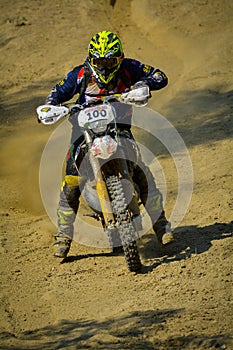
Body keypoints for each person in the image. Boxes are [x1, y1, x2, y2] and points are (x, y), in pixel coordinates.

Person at [43, 30, 174, 258]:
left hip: (119, 129)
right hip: (83, 136)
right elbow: (57, 92)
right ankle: (63, 235)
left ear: (119, 59)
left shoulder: (129, 67)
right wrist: (51, 105)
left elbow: (160, 76)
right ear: (91, 59)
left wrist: (143, 83)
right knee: (72, 181)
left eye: (110, 61)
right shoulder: (80, 74)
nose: (104, 67)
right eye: (99, 61)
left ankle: (161, 224)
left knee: (141, 170)